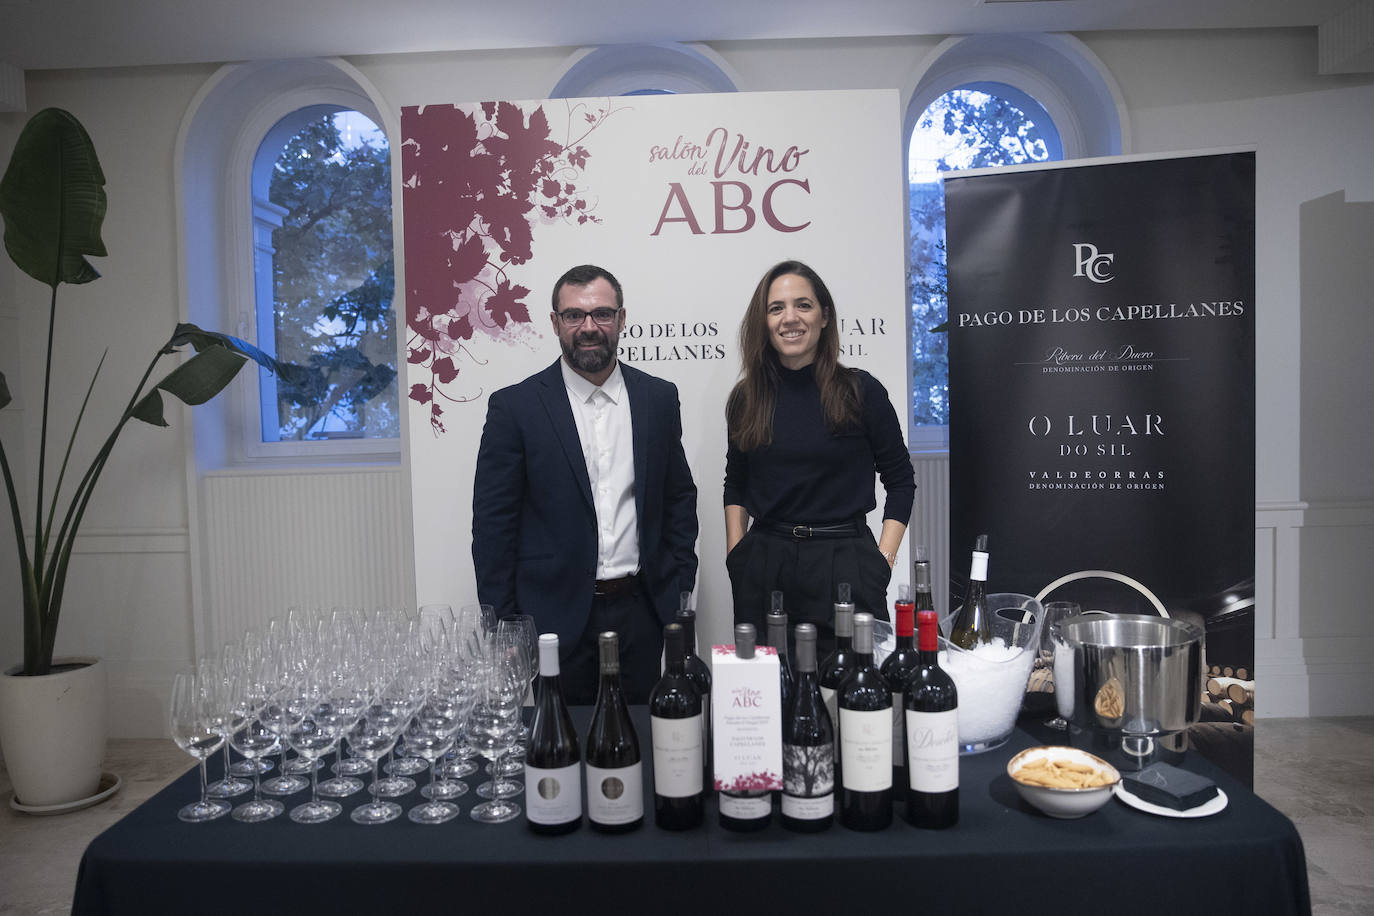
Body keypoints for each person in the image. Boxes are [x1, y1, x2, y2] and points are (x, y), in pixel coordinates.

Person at [473, 264, 699, 704]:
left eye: (602, 314)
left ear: (622, 319)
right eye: (574, 315)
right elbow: (493, 527)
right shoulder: (515, 408)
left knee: (641, 746)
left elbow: (678, 500)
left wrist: (678, 593)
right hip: (552, 617)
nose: (589, 327)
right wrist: (503, 629)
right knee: (561, 752)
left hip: (643, 612)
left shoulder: (658, 398)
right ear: (555, 322)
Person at [723, 260, 915, 655]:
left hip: (846, 562)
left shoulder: (862, 391)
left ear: (824, 316)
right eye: (776, 308)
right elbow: (736, 482)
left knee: (849, 698)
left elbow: (900, 480)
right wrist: (736, 555)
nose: (789, 318)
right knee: (768, 700)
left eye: (803, 305)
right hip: (764, 564)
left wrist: (884, 561)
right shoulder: (747, 398)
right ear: (764, 321)